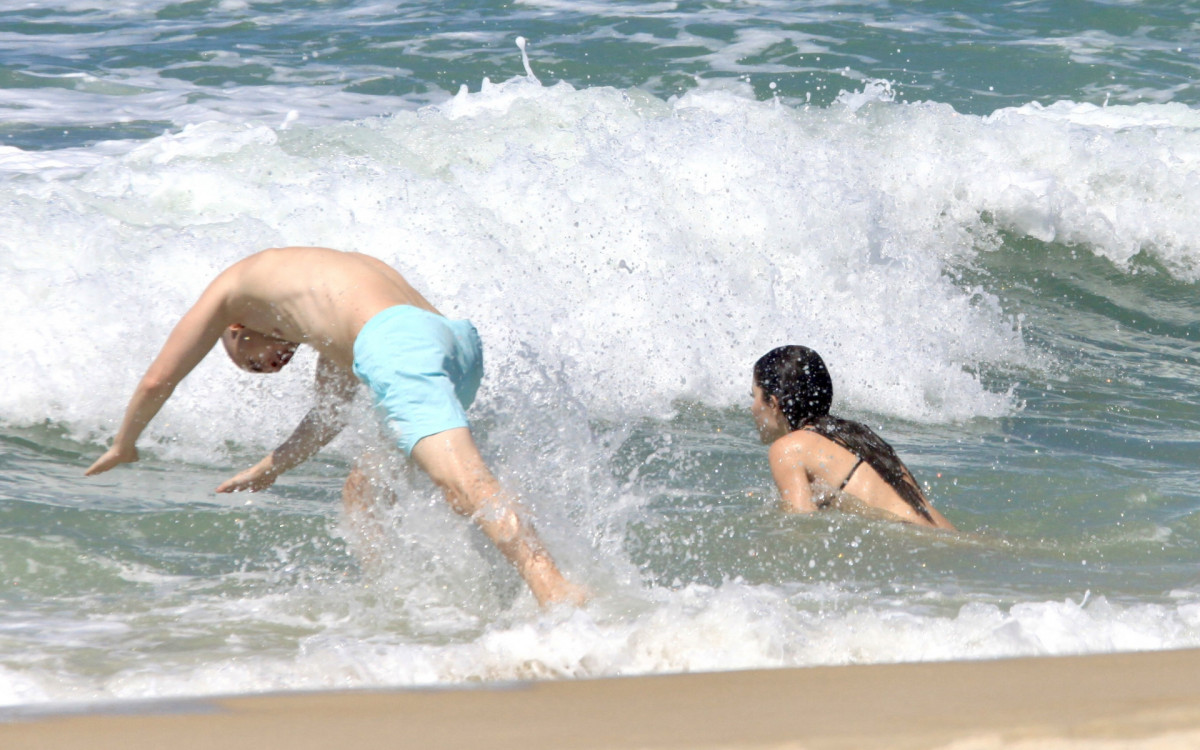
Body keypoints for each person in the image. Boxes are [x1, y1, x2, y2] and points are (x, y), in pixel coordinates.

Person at [86, 246, 586, 606]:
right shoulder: (317, 299)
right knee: (364, 491)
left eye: (255, 363)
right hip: (453, 342)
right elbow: (330, 415)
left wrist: (124, 443)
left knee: (463, 483)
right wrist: (271, 466)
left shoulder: (229, 294)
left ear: (237, 333)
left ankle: (555, 590)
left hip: (401, 345)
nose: (272, 365)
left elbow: (157, 380)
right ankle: (392, 599)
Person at [750, 345, 955, 530]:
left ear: (773, 404)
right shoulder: (855, 435)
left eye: (754, 396)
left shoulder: (788, 448)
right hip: (949, 539)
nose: (752, 408)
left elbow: (801, 526)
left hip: (916, 545)